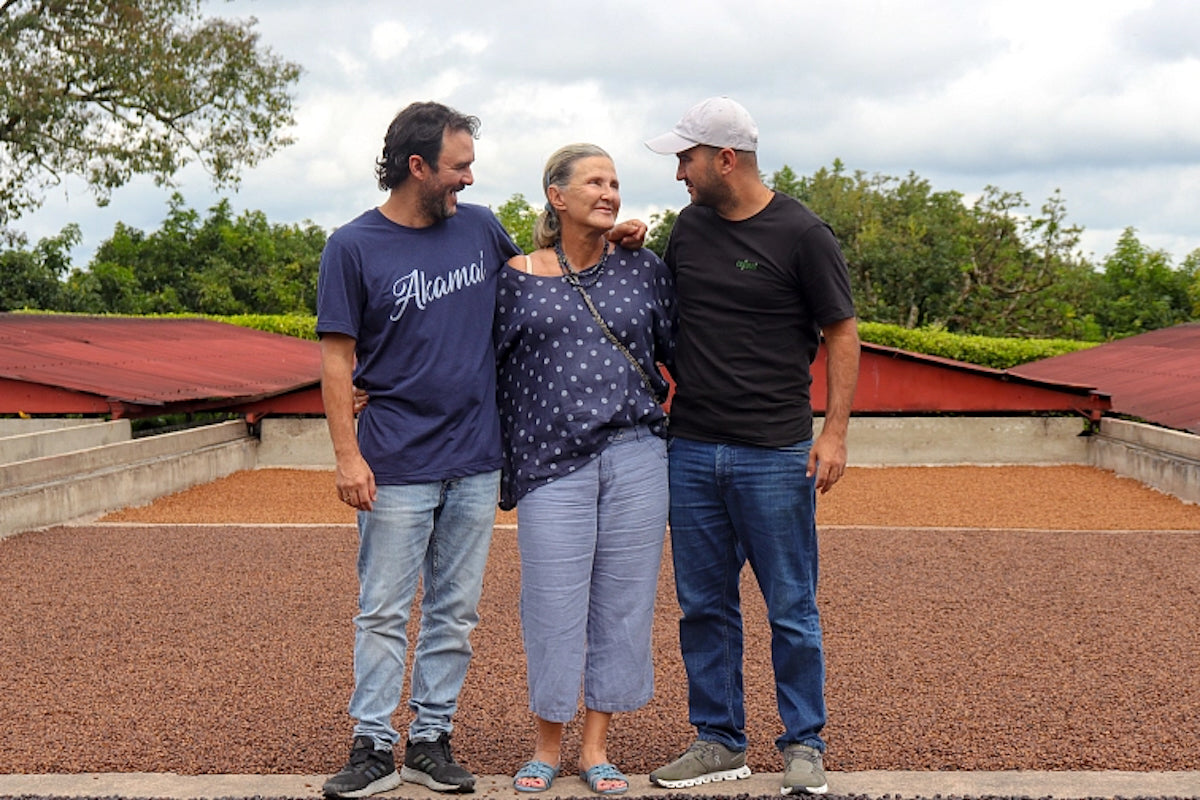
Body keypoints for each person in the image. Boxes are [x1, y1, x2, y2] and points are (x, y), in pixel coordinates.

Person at [317, 102, 645, 799]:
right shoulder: (353, 245)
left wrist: (614, 235)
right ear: (418, 167)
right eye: (459, 166)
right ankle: (373, 744)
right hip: (395, 459)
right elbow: (337, 361)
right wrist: (348, 455)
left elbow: (548, 278)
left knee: (454, 613)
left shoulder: (479, 228)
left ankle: (431, 739)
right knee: (382, 609)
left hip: (473, 458)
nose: (470, 178)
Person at [643, 97, 860, 796]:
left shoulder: (803, 233)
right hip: (694, 447)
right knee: (703, 607)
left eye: (686, 157)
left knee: (791, 606)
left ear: (724, 159)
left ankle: (804, 744)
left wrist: (834, 432)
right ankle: (718, 740)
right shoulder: (687, 228)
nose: (679, 172)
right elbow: (663, 307)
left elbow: (842, 333)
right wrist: (624, 247)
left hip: (775, 452)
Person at [494, 144, 674, 795]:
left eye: (616, 183)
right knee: (551, 602)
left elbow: (681, 351)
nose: (609, 192)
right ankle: (547, 744)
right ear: (556, 195)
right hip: (549, 461)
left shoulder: (643, 269)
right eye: (594, 181)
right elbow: (479, 365)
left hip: (636, 453)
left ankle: (596, 746)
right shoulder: (515, 275)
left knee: (623, 603)